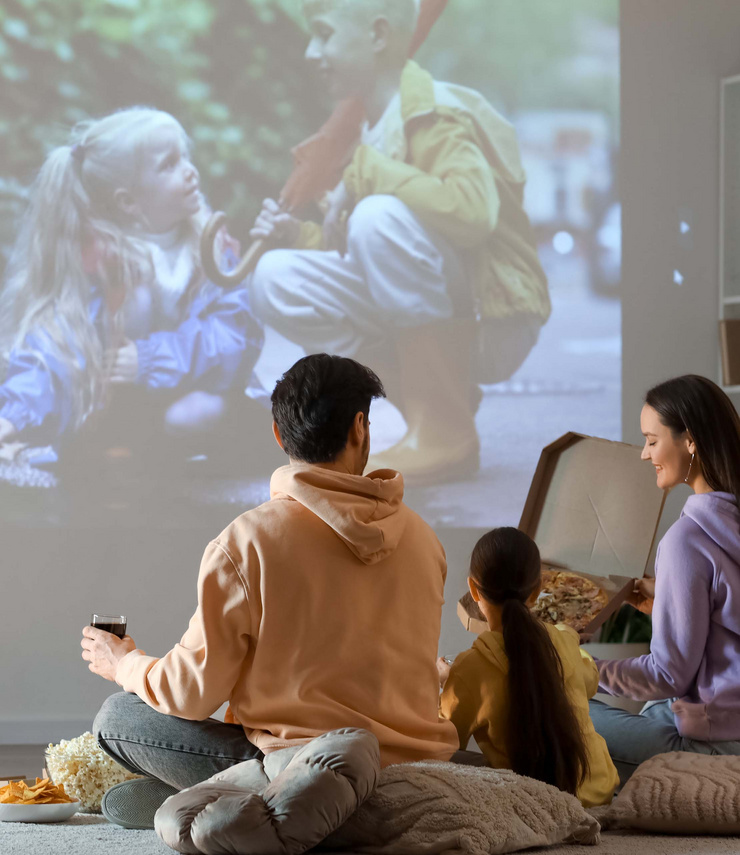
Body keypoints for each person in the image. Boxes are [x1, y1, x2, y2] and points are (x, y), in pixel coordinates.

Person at [83, 353, 458, 829]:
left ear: (278, 435)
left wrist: (124, 665)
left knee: (119, 717)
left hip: (298, 765)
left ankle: (241, 798)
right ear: (360, 428)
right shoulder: (424, 539)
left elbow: (192, 693)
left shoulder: (246, 541)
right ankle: (219, 797)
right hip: (412, 765)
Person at [248, 0, 549, 485]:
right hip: (443, 299)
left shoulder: (436, 113)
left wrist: (368, 172)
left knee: (377, 216)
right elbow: (370, 254)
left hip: (492, 317)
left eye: (324, 34)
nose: (310, 52)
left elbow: (472, 213)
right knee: (277, 279)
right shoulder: (367, 128)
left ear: (378, 35)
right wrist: (296, 236)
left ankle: (446, 430)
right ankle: (434, 404)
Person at [0, 107, 262, 467]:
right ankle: (118, 451)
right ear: (127, 201)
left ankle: (190, 458)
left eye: (185, 156)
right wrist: (13, 415)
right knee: (132, 298)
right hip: (120, 401)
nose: (190, 171)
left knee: (193, 414)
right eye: (169, 165)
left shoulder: (211, 249)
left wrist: (150, 359)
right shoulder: (101, 258)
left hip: (197, 390)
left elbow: (235, 335)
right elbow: (56, 340)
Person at [590, 375, 740, 784]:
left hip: (714, 747)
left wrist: (578, 668)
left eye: (651, 441)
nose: (644, 454)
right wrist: (666, 605)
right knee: (659, 709)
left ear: (690, 440)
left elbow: (668, 675)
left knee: (558, 712)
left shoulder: (686, 541)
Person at [439, 527, 618, 807]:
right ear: (537, 590)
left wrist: (445, 683)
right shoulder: (564, 639)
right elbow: (591, 680)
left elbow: (443, 742)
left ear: (473, 589)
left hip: (535, 803)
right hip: (598, 794)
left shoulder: (468, 669)